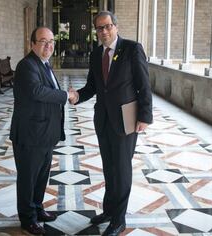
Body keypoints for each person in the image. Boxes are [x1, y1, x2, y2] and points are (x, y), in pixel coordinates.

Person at [69, 11, 153, 236]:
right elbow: (93, 86)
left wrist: (145, 116)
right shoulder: (97, 53)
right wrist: (77, 96)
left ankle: (119, 219)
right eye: (99, 28)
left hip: (126, 119)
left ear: (116, 26)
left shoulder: (132, 48)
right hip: (103, 120)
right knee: (109, 167)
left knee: (122, 169)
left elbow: (144, 85)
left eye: (107, 26)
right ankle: (108, 211)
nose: (104, 31)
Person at [10, 26, 77, 235]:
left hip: (45, 133)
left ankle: (37, 209)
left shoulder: (44, 64)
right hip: (30, 135)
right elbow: (37, 91)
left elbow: (48, 92)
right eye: (43, 41)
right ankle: (27, 219)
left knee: (41, 177)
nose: (48, 45)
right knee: (28, 178)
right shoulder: (26, 65)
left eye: (51, 41)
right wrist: (66, 96)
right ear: (32, 44)